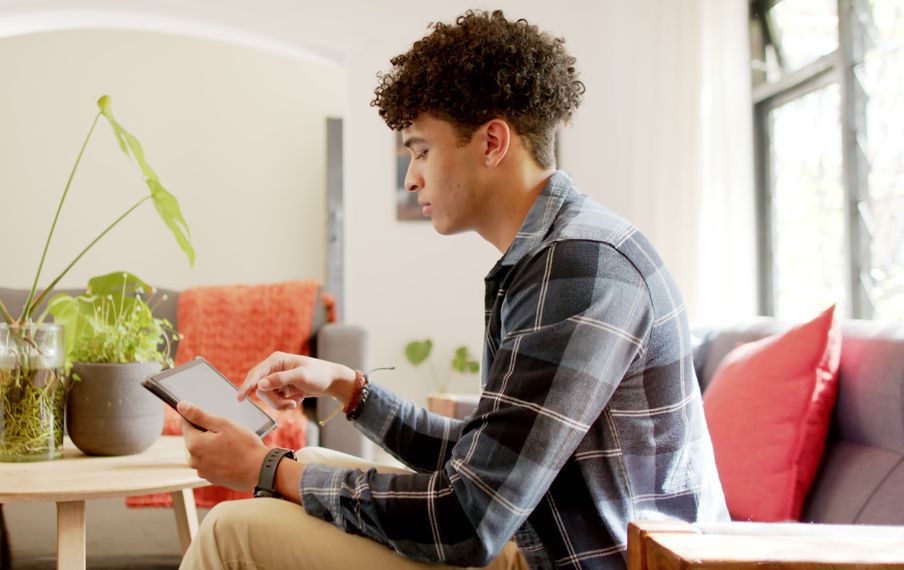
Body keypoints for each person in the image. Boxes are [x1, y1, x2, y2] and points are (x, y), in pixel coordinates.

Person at [176, 9, 729, 569]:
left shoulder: (582, 268)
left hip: (577, 560)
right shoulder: (554, 255)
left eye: (420, 150)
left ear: (492, 142)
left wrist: (265, 469)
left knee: (232, 530)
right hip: (539, 536)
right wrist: (350, 390)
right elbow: (484, 463)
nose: (411, 176)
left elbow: (466, 518)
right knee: (312, 455)